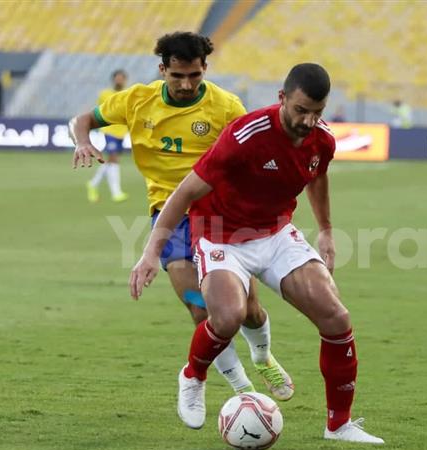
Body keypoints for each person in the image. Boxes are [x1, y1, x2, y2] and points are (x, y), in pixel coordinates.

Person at [130, 63, 384, 444]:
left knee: (336, 317)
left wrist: (327, 231)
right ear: (282, 99)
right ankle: (193, 376)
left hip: (275, 233)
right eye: (300, 110)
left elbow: (316, 176)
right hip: (219, 234)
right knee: (229, 315)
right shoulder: (245, 136)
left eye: (317, 111)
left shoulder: (322, 140)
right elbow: (183, 193)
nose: (308, 120)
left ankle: (339, 426)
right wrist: (151, 253)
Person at [69, 32, 293, 402]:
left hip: (222, 217)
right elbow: (82, 120)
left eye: (195, 76)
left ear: (205, 69)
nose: (187, 85)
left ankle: (262, 355)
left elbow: (259, 150)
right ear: (162, 70)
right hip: (171, 219)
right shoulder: (137, 101)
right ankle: (244, 393)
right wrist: (82, 140)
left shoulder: (225, 106)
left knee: (248, 311)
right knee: (199, 306)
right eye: (177, 76)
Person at [86, 69, 129, 203]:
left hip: (122, 131)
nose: (119, 80)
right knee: (113, 159)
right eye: (117, 78)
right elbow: (100, 111)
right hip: (109, 130)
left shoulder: (128, 94)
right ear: (113, 80)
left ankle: (93, 184)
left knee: (111, 161)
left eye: (121, 78)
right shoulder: (105, 94)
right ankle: (116, 192)